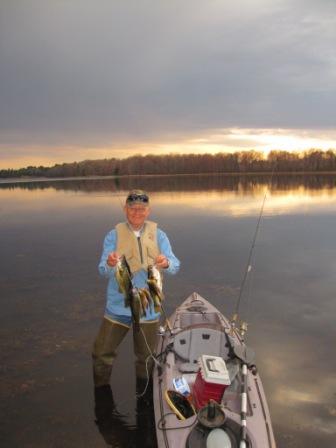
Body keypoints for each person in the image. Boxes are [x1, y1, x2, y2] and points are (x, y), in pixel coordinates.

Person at [92, 190, 180, 387]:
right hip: (118, 305)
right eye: (132, 208)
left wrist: (166, 262)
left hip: (148, 308)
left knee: (146, 358)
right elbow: (103, 271)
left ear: (149, 211)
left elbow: (175, 265)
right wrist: (109, 262)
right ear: (125, 209)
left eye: (142, 209)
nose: (137, 212)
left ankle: (145, 395)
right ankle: (101, 393)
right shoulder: (112, 235)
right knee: (100, 353)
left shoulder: (160, 235)